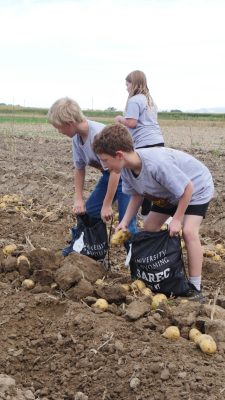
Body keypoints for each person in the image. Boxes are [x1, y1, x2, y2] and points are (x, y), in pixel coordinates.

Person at [93, 124, 214, 298]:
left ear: (119, 155)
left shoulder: (156, 164)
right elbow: (136, 195)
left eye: (105, 160)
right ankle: (159, 272)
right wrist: (125, 222)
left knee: (188, 232)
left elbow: (187, 188)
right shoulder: (125, 169)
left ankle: (195, 287)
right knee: (149, 227)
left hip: (195, 187)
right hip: (167, 192)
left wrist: (177, 219)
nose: (104, 166)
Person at [47, 98, 137, 255]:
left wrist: (107, 204)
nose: (59, 132)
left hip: (125, 177)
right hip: (108, 176)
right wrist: (78, 198)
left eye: (58, 128)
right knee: (88, 213)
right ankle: (84, 248)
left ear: (69, 123)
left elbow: (116, 171)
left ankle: (138, 264)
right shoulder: (76, 139)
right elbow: (79, 169)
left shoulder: (98, 134)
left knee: (127, 223)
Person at [114, 70, 164, 216]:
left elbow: (132, 122)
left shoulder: (134, 100)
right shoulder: (149, 100)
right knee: (154, 176)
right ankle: (155, 209)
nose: (126, 87)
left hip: (144, 143)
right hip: (157, 141)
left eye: (127, 84)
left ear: (134, 83)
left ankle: (144, 210)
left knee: (140, 176)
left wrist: (119, 119)